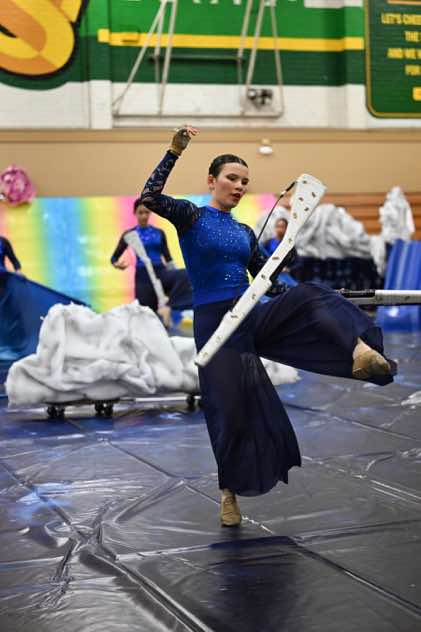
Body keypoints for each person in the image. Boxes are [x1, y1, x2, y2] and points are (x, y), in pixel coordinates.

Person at [139, 126, 395, 527]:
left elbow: (270, 283)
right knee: (229, 411)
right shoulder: (191, 216)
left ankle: (360, 351)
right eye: (232, 178)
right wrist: (174, 151)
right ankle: (228, 492)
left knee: (311, 293)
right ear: (211, 181)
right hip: (216, 327)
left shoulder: (245, 232)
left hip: (252, 315)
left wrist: (309, 287)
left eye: (245, 181)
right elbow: (150, 197)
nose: (240, 186)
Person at [111, 199, 192, 313]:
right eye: (140, 212)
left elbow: (168, 258)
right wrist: (117, 264)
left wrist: (175, 280)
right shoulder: (129, 235)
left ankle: (171, 308)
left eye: (147, 212)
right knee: (147, 312)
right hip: (143, 277)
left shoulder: (159, 232)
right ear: (135, 213)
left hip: (161, 272)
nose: (144, 216)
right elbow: (114, 258)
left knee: (184, 275)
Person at [263, 217, 299, 287]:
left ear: (286, 229)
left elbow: (297, 263)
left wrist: (288, 269)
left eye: (282, 227)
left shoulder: (289, 245)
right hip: (268, 275)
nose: (280, 229)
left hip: (284, 276)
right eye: (278, 226)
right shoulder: (267, 243)